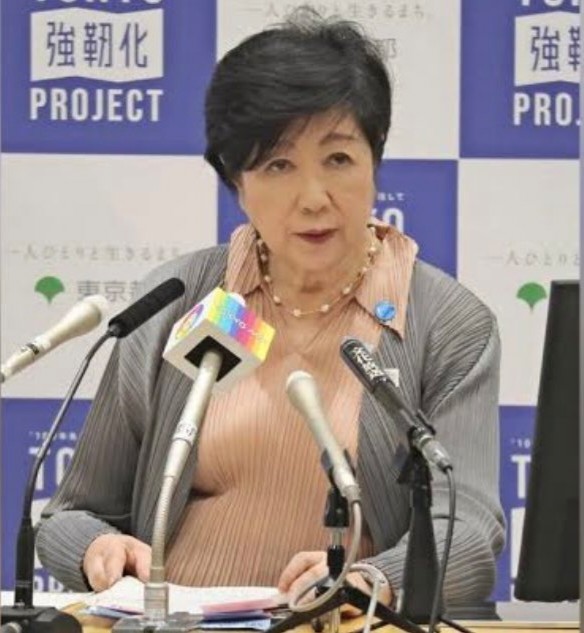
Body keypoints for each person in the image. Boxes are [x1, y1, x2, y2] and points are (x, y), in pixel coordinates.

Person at [37, 7, 505, 613]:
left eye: (338, 159)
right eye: (278, 165)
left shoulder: (445, 323)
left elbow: (467, 531)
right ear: (237, 181)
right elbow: (72, 515)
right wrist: (96, 549)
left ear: (375, 161)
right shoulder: (179, 298)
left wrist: (372, 580)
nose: (313, 198)